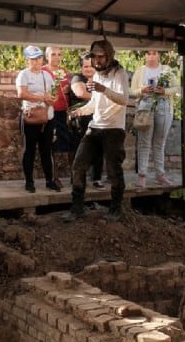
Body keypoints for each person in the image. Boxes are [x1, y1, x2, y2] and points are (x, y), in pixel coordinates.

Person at [65, 39, 130, 222]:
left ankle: (115, 210)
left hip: (114, 129)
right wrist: (80, 111)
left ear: (109, 56)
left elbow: (124, 100)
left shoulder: (119, 74)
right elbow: (95, 104)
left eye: (100, 57)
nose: (97, 60)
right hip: (95, 127)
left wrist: (103, 89)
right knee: (78, 166)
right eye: (94, 56)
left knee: (113, 171)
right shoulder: (98, 75)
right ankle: (77, 208)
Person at [129, 50, 180, 188]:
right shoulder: (140, 71)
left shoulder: (166, 69)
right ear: (145, 55)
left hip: (164, 106)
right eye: (148, 53)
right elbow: (132, 91)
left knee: (159, 143)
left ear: (159, 55)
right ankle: (142, 175)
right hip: (145, 106)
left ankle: (160, 175)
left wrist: (164, 91)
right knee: (144, 142)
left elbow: (176, 88)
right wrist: (142, 90)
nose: (151, 56)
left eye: (154, 53)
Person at [16, 45, 59, 193]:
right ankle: (29, 181)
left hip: (48, 117)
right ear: (27, 59)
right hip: (31, 118)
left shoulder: (47, 75)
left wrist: (53, 99)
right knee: (29, 150)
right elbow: (22, 94)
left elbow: (54, 94)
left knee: (46, 150)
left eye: (39, 58)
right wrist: (42, 97)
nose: (37, 61)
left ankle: (50, 180)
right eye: (33, 59)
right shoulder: (24, 75)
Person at [69, 53, 104, 188]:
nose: (88, 69)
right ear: (81, 67)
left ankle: (97, 178)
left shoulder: (100, 79)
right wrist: (101, 98)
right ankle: (78, 179)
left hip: (97, 120)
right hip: (80, 122)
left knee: (99, 149)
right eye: (85, 66)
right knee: (79, 150)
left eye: (91, 66)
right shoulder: (78, 78)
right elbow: (80, 93)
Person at [44, 46, 73, 185]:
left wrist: (67, 90)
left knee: (68, 142)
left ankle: (74, 175)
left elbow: (67, 91)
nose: (56, 57)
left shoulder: (64, 71)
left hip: (63, 111)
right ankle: (54, 177)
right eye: (53, 54)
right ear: (47, 56)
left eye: (59, 54)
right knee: (52, 144)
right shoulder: (43, 71)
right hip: (49, 112)